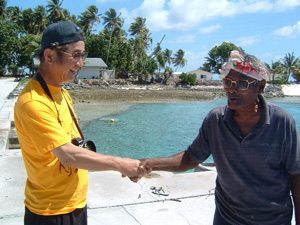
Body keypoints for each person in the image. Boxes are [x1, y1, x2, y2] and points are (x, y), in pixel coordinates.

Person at [138, 50, 300, 225]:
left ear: (260, 87)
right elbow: (191, 158)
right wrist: (150, 164)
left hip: (273, 220)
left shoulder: (282, 121)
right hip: (226, 219)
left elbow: (296, 174)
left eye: (242, 84)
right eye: (228, 82)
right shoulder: (215, 120)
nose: (231, 89)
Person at [14, 21, 145, 225]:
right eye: (75, 55)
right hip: (49, 212)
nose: (81, 63)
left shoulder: (62, 92)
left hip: (75, 204)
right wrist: (121, 164)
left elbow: (73, 144)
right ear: (49, 56)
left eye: (82, 55)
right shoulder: (33, 102)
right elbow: (67, 155)